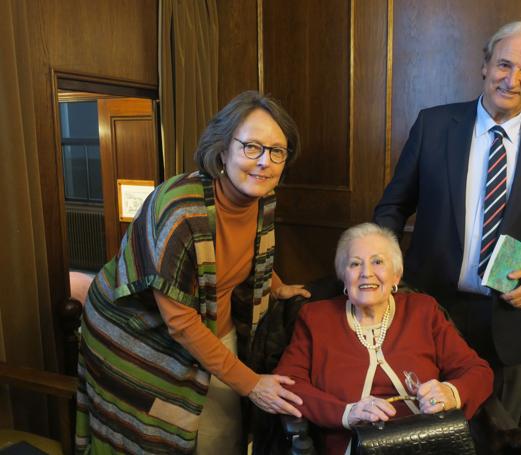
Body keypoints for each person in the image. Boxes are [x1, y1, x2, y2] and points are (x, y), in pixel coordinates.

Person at [373, 21, 521, 425]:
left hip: (513, 319)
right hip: (430, 311)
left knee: (499, 436)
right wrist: (385, 268)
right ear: (485, 64)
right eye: (504, 65)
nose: (512, 79)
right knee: (428, 434)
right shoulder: (433, 126)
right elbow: (392, 207)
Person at [75, 91, 311, 454]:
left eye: (276, 151)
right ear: (222, 150)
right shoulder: (180, 209)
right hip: (137, 333)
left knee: (226, 429)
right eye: (252, 147)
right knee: (159, 435)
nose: (265, 161)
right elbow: (181, 324)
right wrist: (252, 384)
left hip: (209, 319)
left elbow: (244, 250)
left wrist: (276, 286)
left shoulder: (262, 198)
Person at [274, 223, 493, 454]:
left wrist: (451, 392)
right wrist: (347, 412)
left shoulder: (422, 311)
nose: (366, 272)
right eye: (355, 263)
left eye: (378, 262)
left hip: (428, 442)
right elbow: (288, 384)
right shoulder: (316, 319)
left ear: (396, 274)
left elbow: (479, 372)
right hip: (354, 445)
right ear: (344, 276)